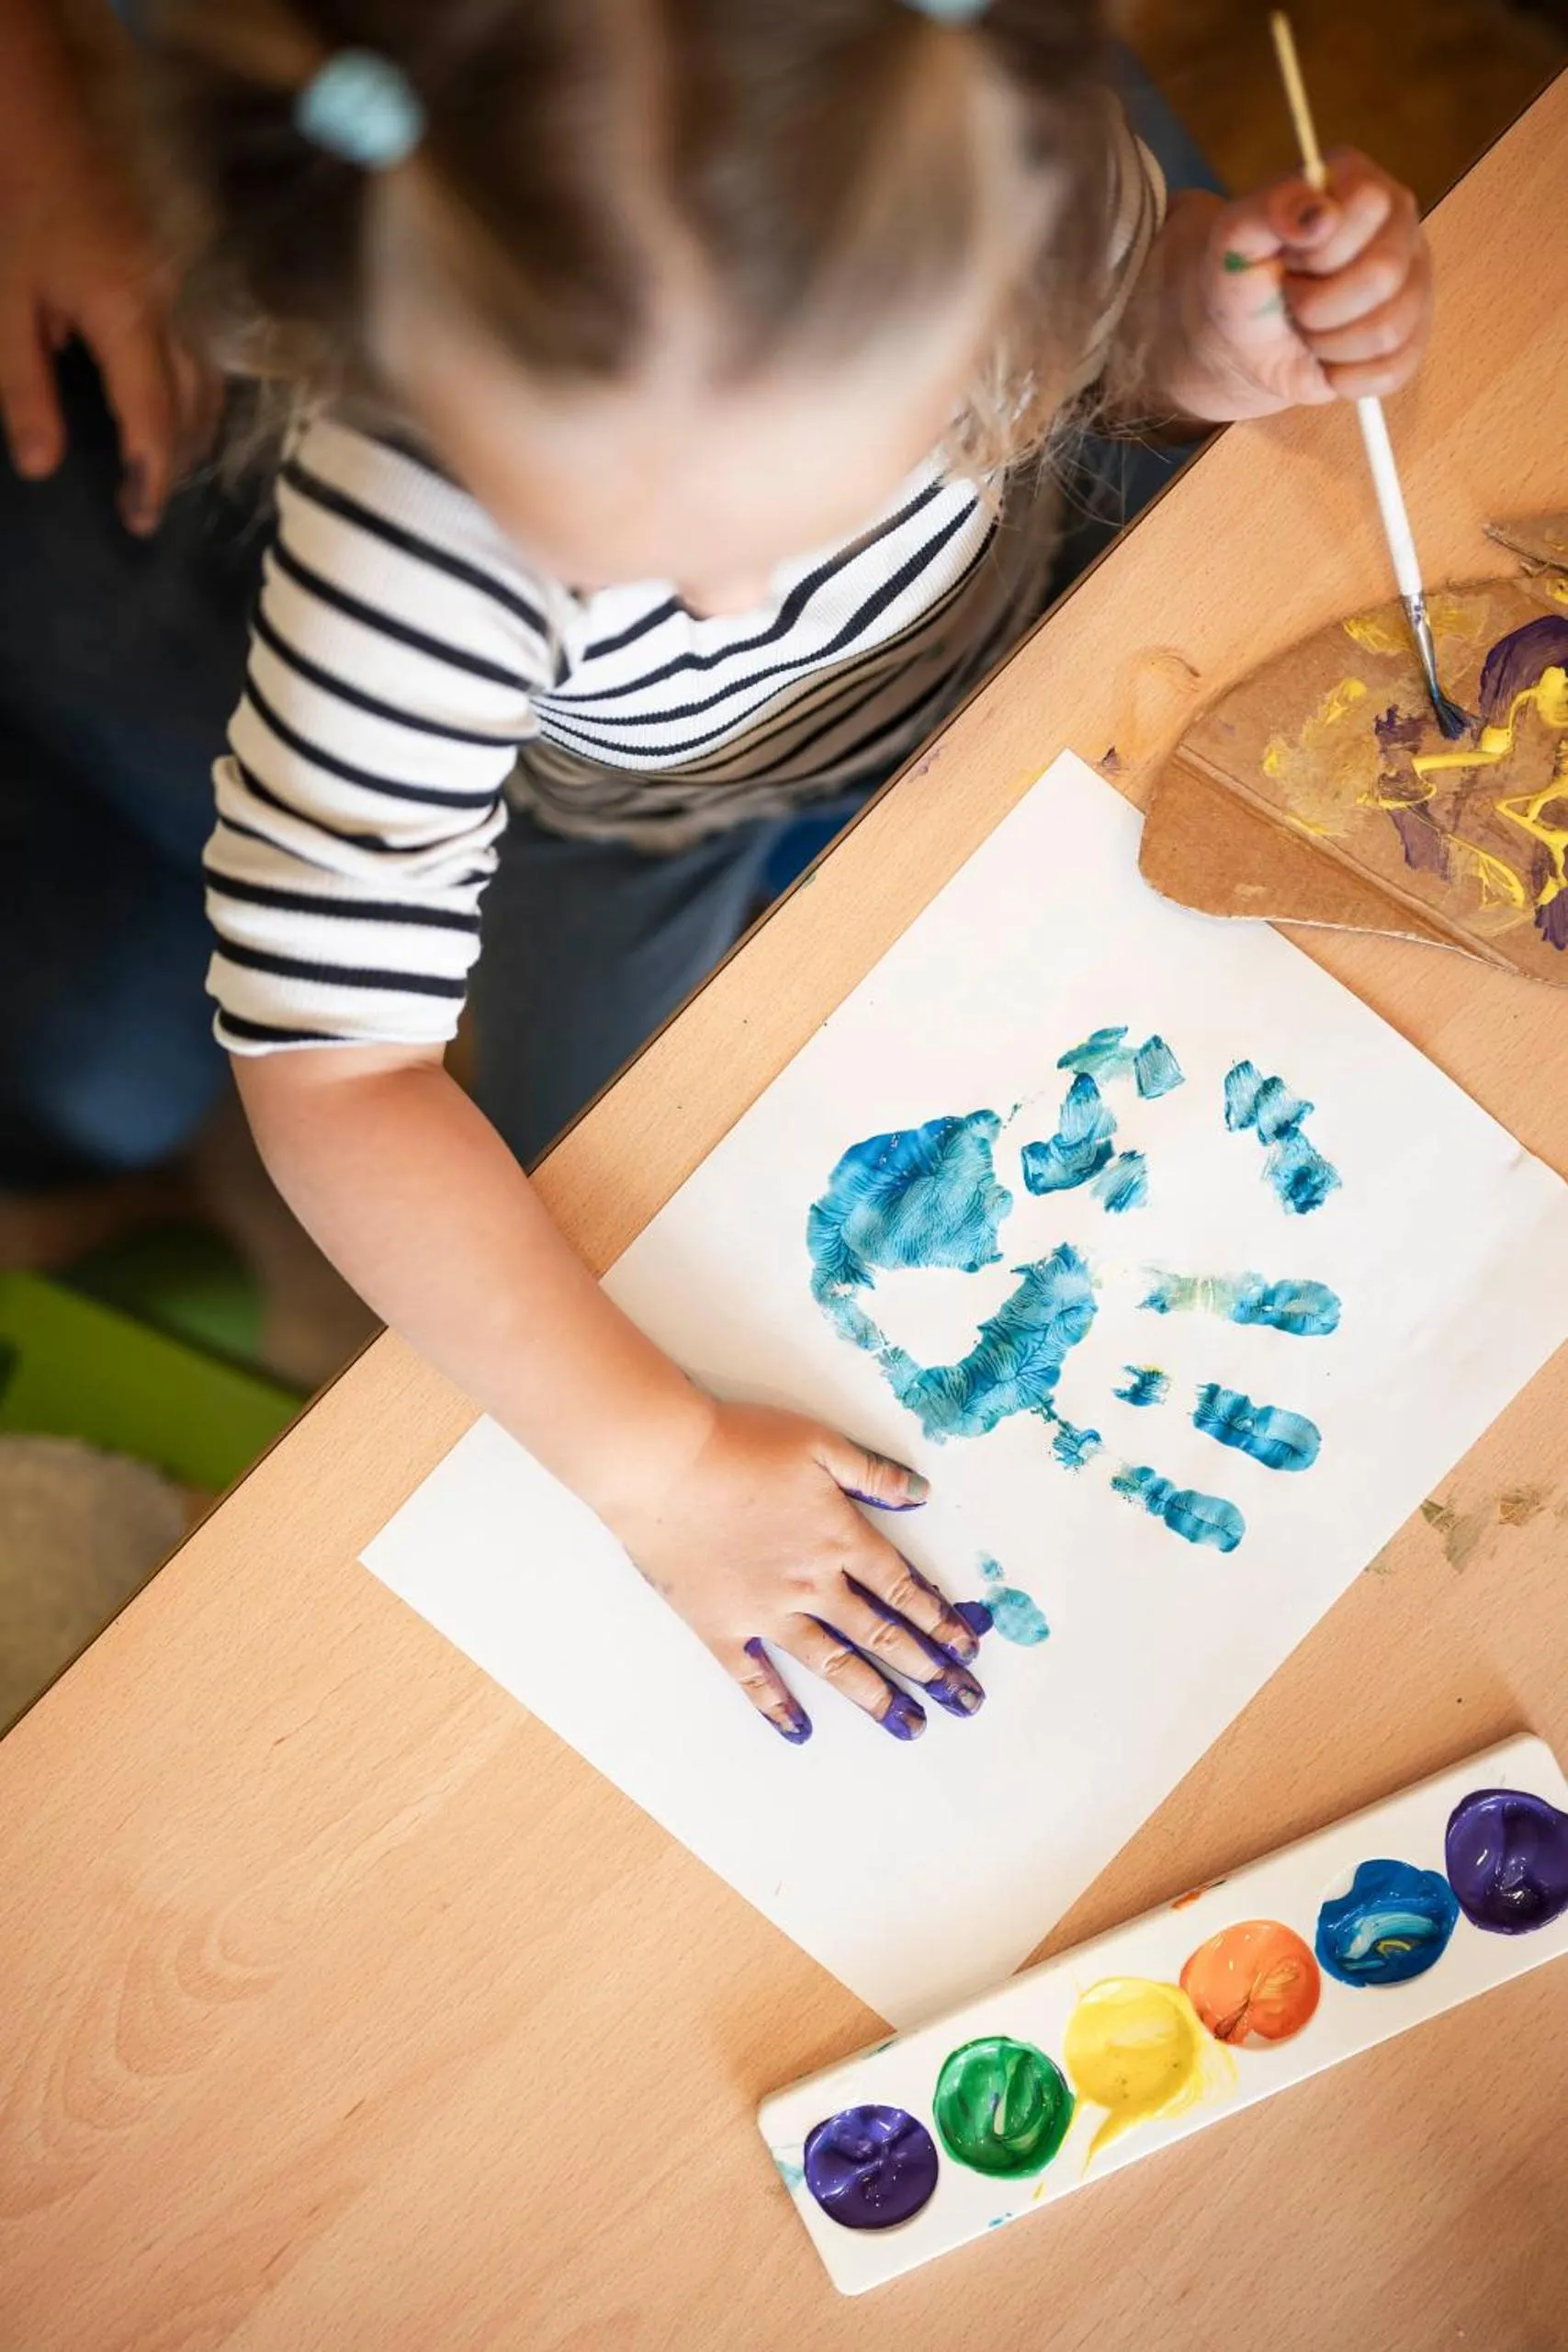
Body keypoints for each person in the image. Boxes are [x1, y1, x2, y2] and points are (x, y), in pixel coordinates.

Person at [148, 0, 1433, 1744]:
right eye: (626, 554)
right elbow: (334, 1069)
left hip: (1021, 628)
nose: (724, 607)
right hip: (642, 815)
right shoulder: (415, 539)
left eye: (794, 510)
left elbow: (1126, 334)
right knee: (594, 1211)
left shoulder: (975, 170)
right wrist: (658, 1469)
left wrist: (1217, 327)